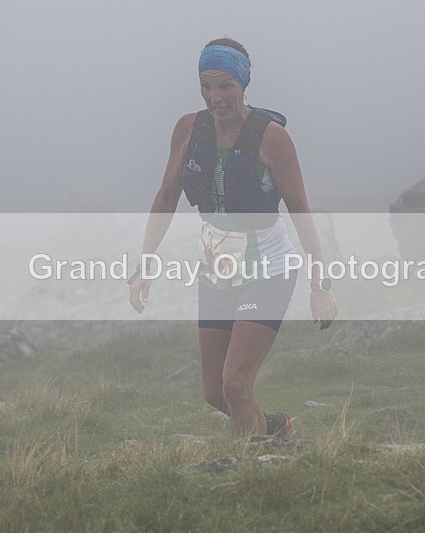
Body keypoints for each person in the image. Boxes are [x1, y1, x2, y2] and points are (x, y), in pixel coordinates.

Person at [129, 38, 337, 439]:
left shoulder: (272, 138)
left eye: (225, 86)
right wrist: (145, 265)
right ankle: (272, 431)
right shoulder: (188, 129)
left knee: (236, 385)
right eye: (206, 86)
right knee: (215, 393)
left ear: (243, 84)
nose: (215, 97)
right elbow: (167, 194)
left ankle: (253, 475)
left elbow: (301, 212)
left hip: (269, 266)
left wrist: (320, 285)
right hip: (217, 266)